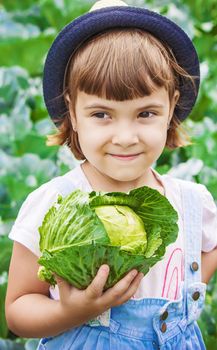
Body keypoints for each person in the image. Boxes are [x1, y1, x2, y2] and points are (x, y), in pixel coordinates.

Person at [5, 0, 217, 349]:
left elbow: (207, 248)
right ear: (73, 113)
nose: (125, 136)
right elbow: (17, 308)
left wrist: (184, 295)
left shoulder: (191, 201)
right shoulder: (52, 205)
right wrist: (70, 312)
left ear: (171, 108)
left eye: (146, 113)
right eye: (102, 114)